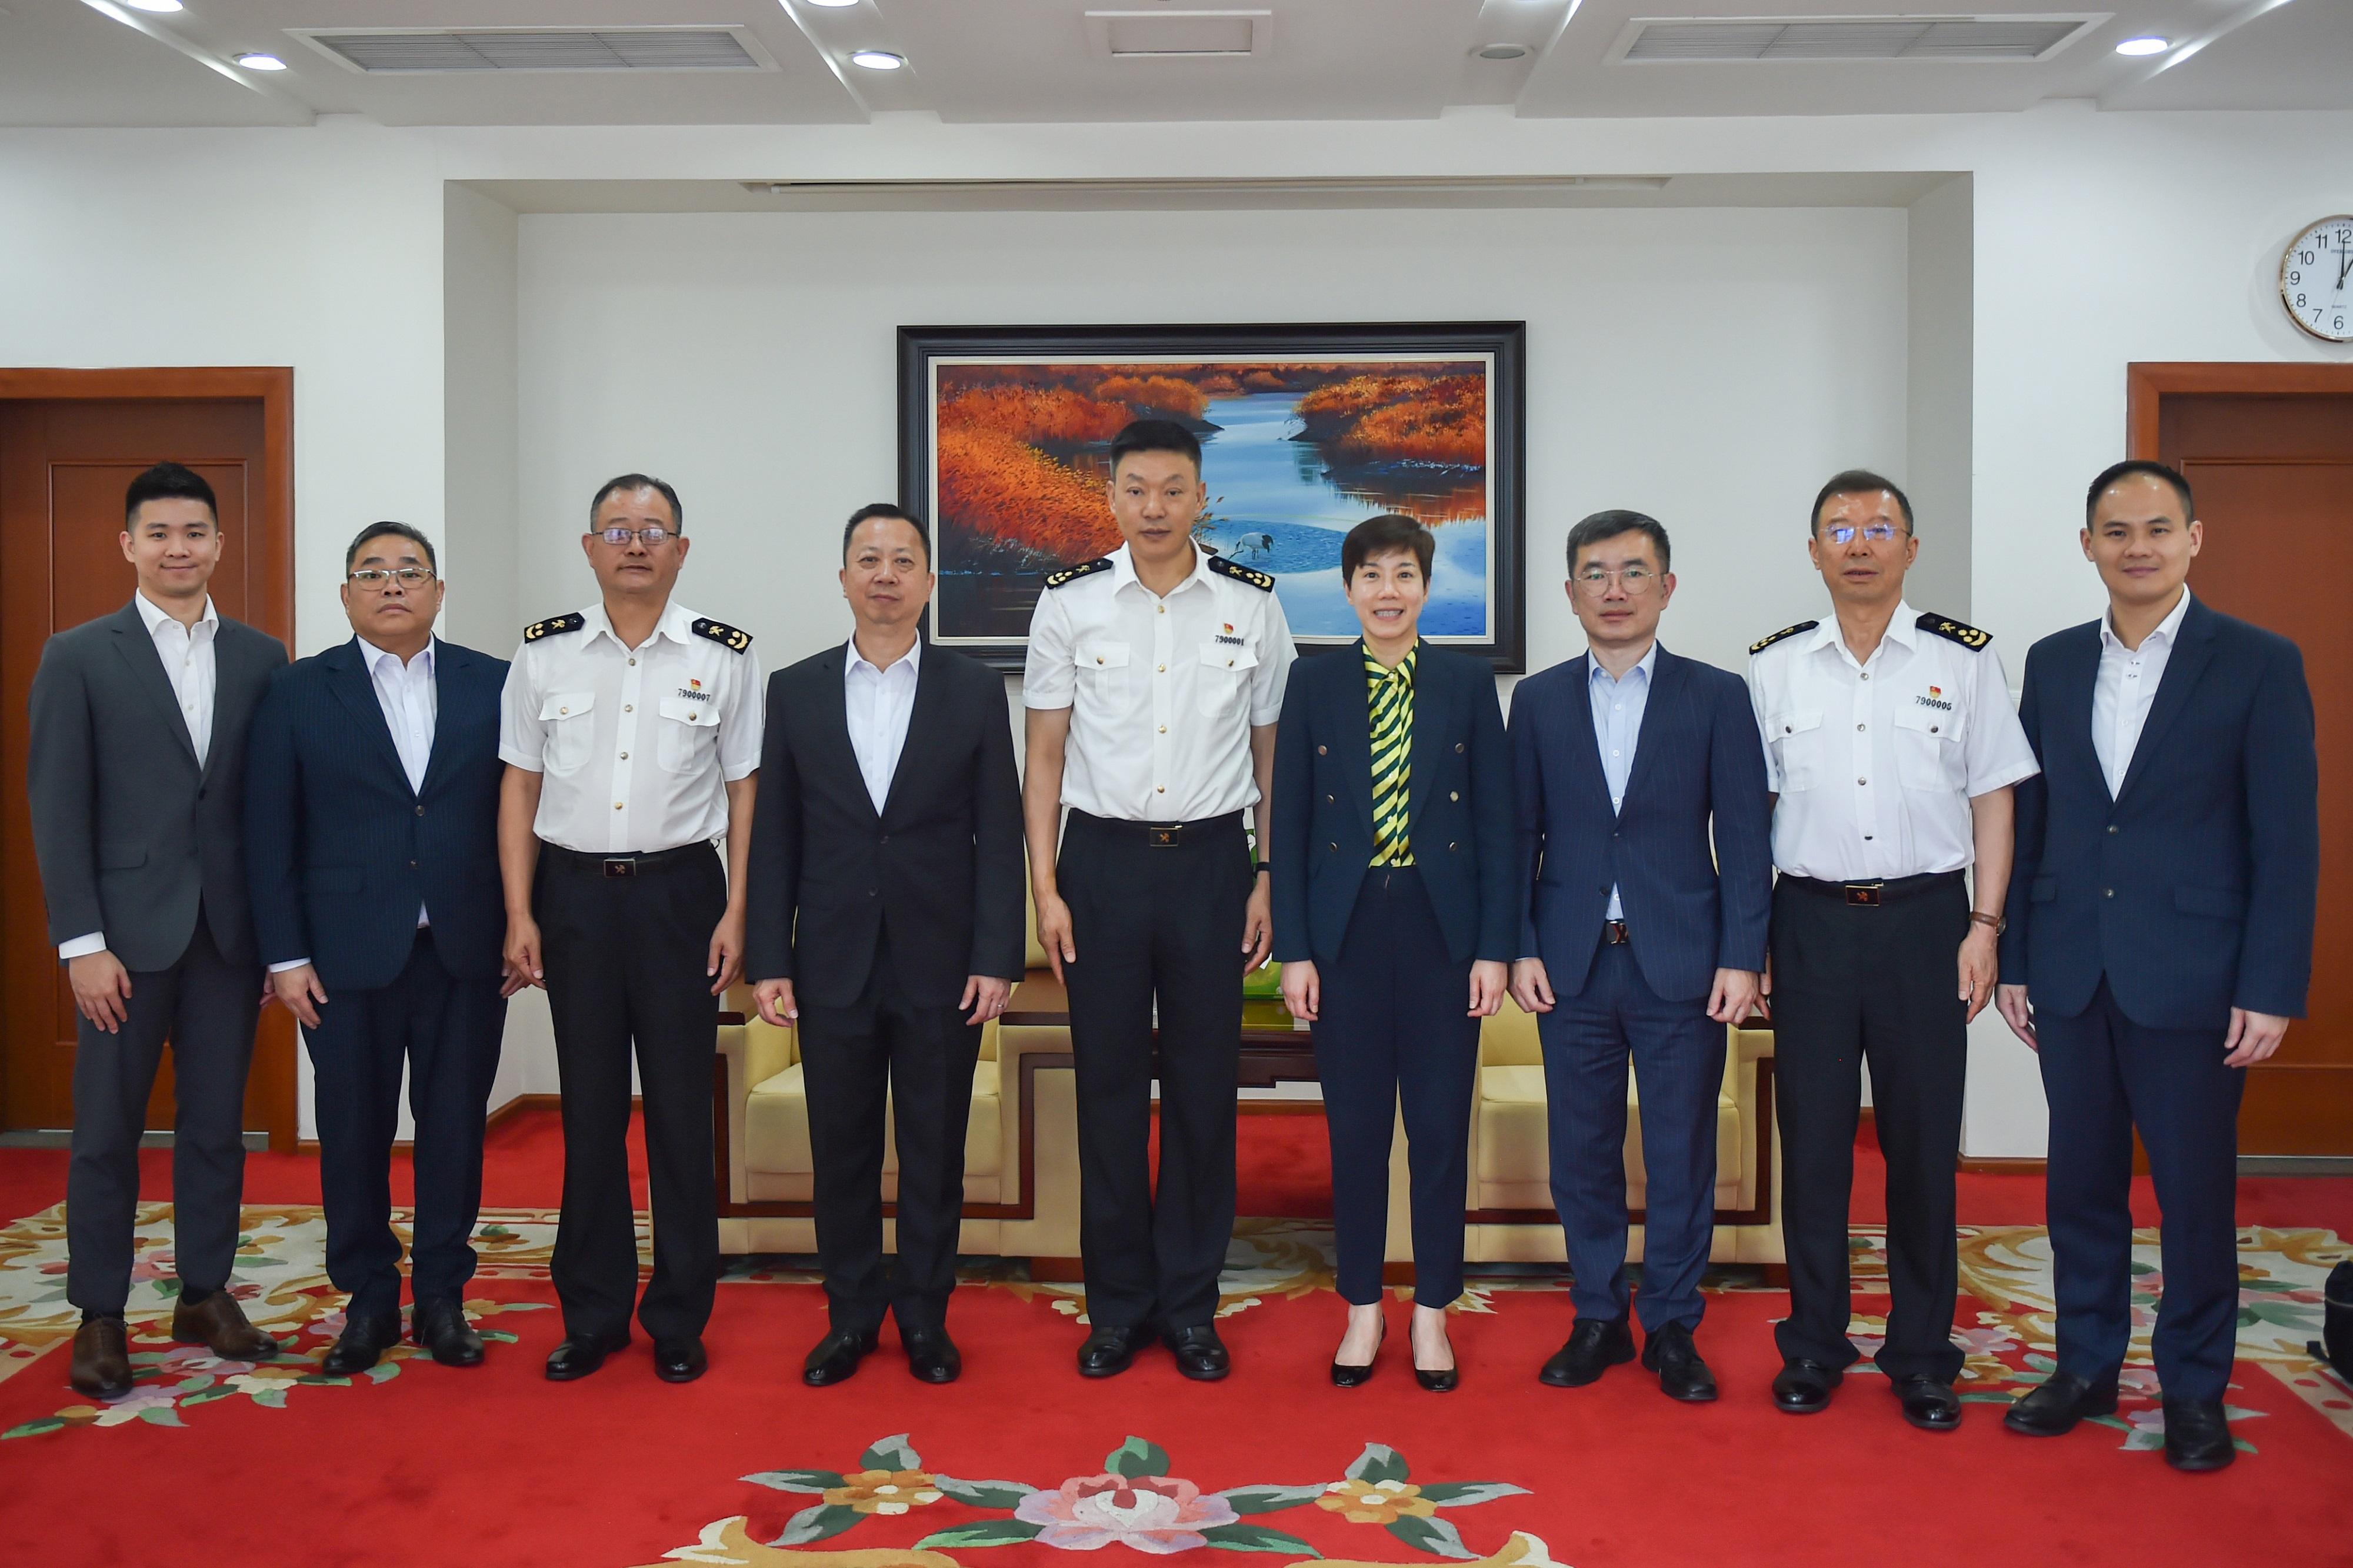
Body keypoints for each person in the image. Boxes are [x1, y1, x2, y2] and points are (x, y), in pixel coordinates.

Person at [1995, 461, 2318, 1472]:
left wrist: (2270, 985)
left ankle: (2193, 1388)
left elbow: (2287, 839)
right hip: (2070, 968)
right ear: (2086, 544)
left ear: (2193, 539)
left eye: (2157, 528)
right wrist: (2013, 951)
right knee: (2079, 1185)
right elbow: (2031, 818)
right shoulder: (2049, 663)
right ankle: (2086, 1366)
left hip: (2196, 975)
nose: (2137, 546)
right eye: (2115, 529)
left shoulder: (2259, 661)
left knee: (2193, 1195)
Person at [1747, 469, 2037, 1431]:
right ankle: (1816, 1345)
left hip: (1926, 924)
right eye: (1840, 528)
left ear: (1912, 548)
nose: (1860, 544)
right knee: (1816, 1147)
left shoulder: (1963, 661)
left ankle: (1923, 1354)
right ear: (1815, 550)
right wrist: (1757, 941)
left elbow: (1996, 794)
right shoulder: (1775, 666)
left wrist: (1985, 926)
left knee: (1921, 1148)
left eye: (1880, 528)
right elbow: (1749, 814)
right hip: (1810, 925)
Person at [1022, 418, 1297, 1380]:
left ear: (1201, 498)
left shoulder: (1253, 606)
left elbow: (1272, 755)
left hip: (1215, 868)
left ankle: (1190, 1306)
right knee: (1106, 1093)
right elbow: (1045, 755)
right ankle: (1116, 1308)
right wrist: (1045, 888)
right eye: (1136, 488)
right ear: (1111, 497)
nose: (1154, 506)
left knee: (1199, 1095)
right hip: (1099, 868)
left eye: (1173, 489)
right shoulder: (1069, 605)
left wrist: (1269, 873)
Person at [28, 462, 289, 1399]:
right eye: (160, 533)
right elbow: (57, 810)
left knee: (216, 1126)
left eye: (195, 532)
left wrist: (275, 938)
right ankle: (99, 1313)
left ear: (220, 544)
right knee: (105, 1131)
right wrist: (80, 944)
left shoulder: (264, 657)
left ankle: (204, 1291)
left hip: (228, 937)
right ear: (128, 544)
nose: (178, 548)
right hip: (122, 947)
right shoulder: (79, 654)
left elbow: (269, 807)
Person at [748, 504, 1025, 1388]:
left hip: (943, 962)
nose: (885, 574)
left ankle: (924, 1318)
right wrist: (769, 956)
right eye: (868, 559)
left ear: (929, 583)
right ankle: (851, 1317)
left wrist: (996, 954)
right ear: (842, 579)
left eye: (904, 560)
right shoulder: (793, 689)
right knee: (844, 1148)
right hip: (830, 959)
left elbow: (998, 831)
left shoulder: (975, 691)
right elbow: (776, 837)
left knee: (936, 1146)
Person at [498, 473, 761, 1386]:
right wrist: (520, 911)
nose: (636, 543)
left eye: (655, 530)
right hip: (573, 897)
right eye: (618, 528)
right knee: (593, 1109)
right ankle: (596, 1313)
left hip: (682, 894)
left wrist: (741, 910)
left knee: (683, 1115)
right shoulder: (544, 655)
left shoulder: (724, 654)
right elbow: (519, 788)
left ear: (681, 550)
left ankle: (681, 1313)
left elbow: (745, 790)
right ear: (590, 547)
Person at [1508, 510, 1771, 1402]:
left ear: (1667, 586)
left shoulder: (1717, 695)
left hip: (1683, 963)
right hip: (1572, 962)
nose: (1614, 589)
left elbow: (1743, 837)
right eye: (1595, 573)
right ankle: (1596, 1315)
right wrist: (1518, 946)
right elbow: (1518, 835)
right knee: (1579, 1149)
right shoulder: (1537, 700)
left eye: (1633, 571)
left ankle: (1670, 1323)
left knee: (1680, 1149)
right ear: (1570, 590)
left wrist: (1743, 955)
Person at [243, 522, 511, 1374]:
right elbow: (268, 832)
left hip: (464, 948)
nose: (392, 585)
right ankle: (365, 1297)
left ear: (438, 590)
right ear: (346, 594)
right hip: (344, 954)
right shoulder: (295, 691)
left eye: (410, 571)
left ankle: (441, 1295)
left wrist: (522, 922)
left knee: (454, 1129)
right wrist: (283, 955)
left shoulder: (495, 684)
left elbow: (525, 817)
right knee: (352, 1131)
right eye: (372, 572)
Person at [1272, 513, 1512, 1393]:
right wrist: (1295, 950)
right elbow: (1288, 822)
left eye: (1404, 574)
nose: (1386, 591)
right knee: (1358, 1131)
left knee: (1441, 1130)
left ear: (1426, 586)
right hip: (1346, 932)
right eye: (1370, 574)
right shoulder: (1314, 683)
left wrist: (1495, 946)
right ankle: (1364, 1309)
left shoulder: (1463, 682)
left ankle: (1435, 1313)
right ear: (1347, 588)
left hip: (1443, 931)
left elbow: (1497, 821)